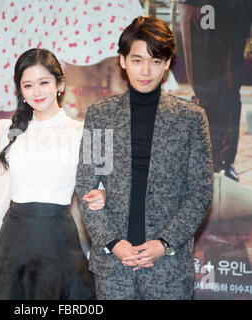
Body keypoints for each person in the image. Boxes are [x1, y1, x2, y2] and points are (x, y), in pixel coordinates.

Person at [75, 16, 214, 300]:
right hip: (114, 269)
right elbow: (87, 186)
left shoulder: (190, 118)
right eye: (137, 60)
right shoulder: (101, 115)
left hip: (168, 270)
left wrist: (164, 243)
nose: (146, 71)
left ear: (167, 63)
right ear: (123, 61)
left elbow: (200, 192)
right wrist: (113, 242)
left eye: (155, 60)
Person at [0, 48, 97, 300]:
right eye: (28, 85)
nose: (37, 92)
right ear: (20, 90)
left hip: (58, 243)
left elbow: (99, 191)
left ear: (59, 84)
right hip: (11, 246)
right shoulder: (9, 129)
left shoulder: (83, 132)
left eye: (44, 82)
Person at [178, 0, 252, 181]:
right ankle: (202, 159)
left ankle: (226, 161)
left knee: (228, 87)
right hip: (196, 6)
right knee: (202, 87)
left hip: (232, 9)